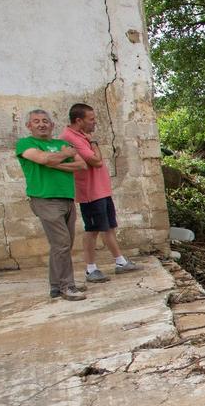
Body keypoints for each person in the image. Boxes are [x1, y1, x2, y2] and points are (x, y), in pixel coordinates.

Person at [60, 103, 140, 283]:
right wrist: (94, 143)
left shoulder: (82, 136)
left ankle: (120, 262)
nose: (94, 123)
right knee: (92, 230)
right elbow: (96, 161)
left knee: (109, 226)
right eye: (91, 119)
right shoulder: (70, 138)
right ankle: (90, 269)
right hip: (90, 192)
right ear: (78, 120)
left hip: (101, 189)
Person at [15, 109, 87, 301]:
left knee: (64, 244)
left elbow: (81, 165)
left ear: (52, 125)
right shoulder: (26, 143)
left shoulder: (62, 144)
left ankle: (56, 286)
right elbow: (42, 159)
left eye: (45, 121)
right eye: (36, 121)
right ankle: (67, 286)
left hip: (67, 198)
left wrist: (55, 162)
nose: (41, 124)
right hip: (45, 198)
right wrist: (62, 156)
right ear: (29, 126)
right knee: (62, 243)